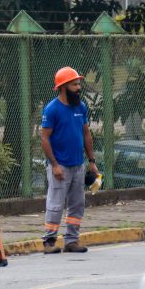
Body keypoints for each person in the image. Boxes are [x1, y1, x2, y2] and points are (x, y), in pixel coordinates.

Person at [39, 66, 98, 254]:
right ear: (63, 86)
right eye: (74, 84)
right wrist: (55, 165)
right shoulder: (52, 109)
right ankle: (49, 241)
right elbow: (44, 138)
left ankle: (71, 241)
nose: (79, 87)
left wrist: (92, 161)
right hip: (60, 166)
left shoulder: (80, 107)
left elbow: (86, 134)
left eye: (79, 83)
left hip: (78, 165)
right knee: (55, 205)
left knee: (77, 204)